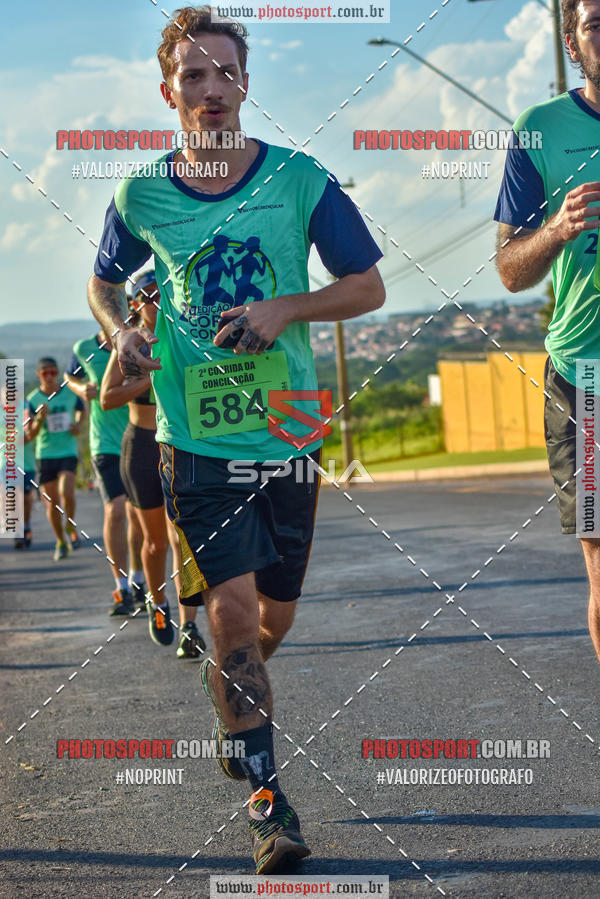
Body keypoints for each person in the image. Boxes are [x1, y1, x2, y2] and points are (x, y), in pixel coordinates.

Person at [88, 4, 385, 873]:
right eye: (193, 76)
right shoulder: (139, 193)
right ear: (168, 93)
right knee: (233, 614)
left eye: (225, 72)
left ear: (245, 84)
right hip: (196, 440)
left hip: (289, 429)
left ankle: (233, 707)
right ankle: (268, 801)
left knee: (272, 617)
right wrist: (120, 333)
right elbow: (104, 283)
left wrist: (285, 306)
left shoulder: (299, 181)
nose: (210, 88)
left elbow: (365, 287)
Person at [495, 0, 600, 660]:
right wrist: (558, 229)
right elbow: (508, 269)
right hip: (583, 383)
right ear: (571, 42)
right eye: (596, 23)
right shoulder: (540, 129)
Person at [100, 270, 206, 657]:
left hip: (180, 443)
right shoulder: (129, 343)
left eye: (159, 294)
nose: (153, 302)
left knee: (184, 538)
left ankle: (190, 626)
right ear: (135, 304)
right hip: (142, 445)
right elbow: (107, 398)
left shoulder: (183, 334)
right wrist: (151, 379)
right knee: (156, 541)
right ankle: (158, 605)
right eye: (145, 297)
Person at [65, 330, 145, 615]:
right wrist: (81, 388)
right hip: (104, 443)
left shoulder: (141, 341)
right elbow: (68, 376)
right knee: (117, 510)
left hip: (137, 437)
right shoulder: (84, 346)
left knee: (138, 514)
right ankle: (121, 587)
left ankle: (138, 578)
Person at [26, 357, 84, 561]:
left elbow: (81, 409)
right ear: (38, 375)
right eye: (45, 373)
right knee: (51, 503)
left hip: (67, 451)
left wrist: (78, 424)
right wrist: (40, 418)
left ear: (57, 372)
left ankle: (70, 523)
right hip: (46, 454)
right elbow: (29, 435)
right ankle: (60, 541)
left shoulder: (69, 392)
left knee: (66, 491)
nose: (49, 377)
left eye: (53, 372)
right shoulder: (33, 399)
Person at [14, 408, 37, 549]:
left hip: (27, 463)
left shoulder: (28, 407)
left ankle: (26, 525)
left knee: (27, 499)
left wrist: (31, 423)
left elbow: (32, 433)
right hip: (6, 463)